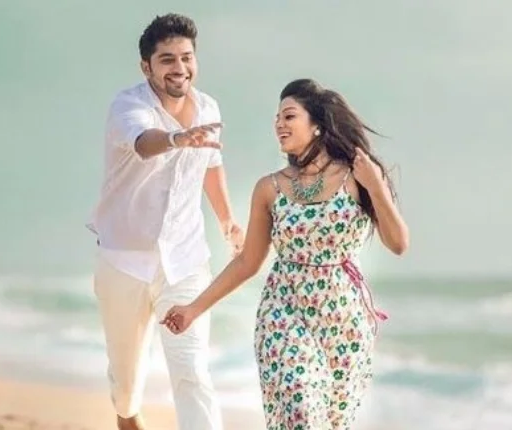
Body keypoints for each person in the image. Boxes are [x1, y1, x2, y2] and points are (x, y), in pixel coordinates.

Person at [161, 78, 410, 429]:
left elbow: (398, 243)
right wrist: (193, 309)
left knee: (330, 423)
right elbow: (248, 261)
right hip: (284, 312)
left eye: (289, 116)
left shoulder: (357, 176)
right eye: (276, 118)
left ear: (318, 125)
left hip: (343, 320)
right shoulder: (269, 188)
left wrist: (377, 187)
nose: (279, 124)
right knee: (299, 411)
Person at [85, 13, 244, 430]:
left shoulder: (208, 107)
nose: (179, 68)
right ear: (147, 67)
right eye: (167, 59)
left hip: (186, 261)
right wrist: (177, 138)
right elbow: (144, 144)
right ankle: (127, 416)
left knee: (192, 369)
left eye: (187, 57)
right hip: (124, 259)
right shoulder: (128, 105)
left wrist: (228, 221)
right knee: (127, 381)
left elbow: (211, 164)